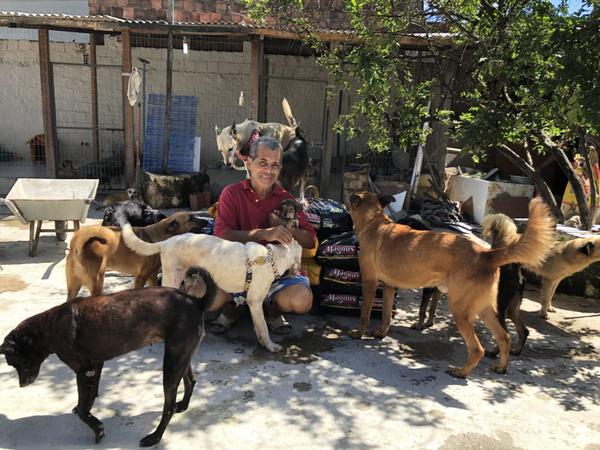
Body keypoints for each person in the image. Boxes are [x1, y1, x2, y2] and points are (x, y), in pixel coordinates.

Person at [209, 136, 317, 334]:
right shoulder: (231, 193)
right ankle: (240, 301)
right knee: (205, 297)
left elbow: (310, 240)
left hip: (276, 276)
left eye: (275, 165)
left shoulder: (286, 198)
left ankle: (268, 306)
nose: (269, 171)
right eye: (262, 163)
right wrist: (265, 233)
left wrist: (285, 226)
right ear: (248, 163)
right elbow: (222, 235)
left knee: (302, 300)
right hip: (237, 272)